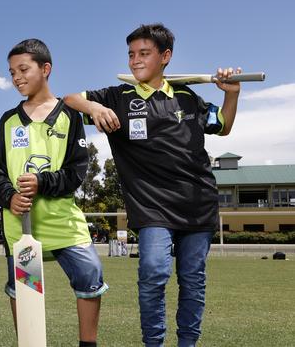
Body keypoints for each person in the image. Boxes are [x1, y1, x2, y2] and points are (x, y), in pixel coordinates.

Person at [63, 23, 242, 347]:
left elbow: (224, 125)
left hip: (197, 203)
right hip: (151, 207)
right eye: (131, 54)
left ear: (165, 56)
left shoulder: (189, 97)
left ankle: (187, 343)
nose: (135, 61)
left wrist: (232, 94)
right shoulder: (118, 97)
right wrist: (95, 107)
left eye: (144, 53)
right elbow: (70, 98)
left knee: (193, 281)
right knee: (154, 272)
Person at [0, 39, 108, 347]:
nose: (16, 78)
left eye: (23, 69)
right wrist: (9, 195)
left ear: (45, 69)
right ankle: (28, 341)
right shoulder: (8, 121)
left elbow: (77, 172)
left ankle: (87, 344)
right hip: (19, 224)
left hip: (61, 219)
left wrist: (42, 182)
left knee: (90, 273)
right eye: (12, 72)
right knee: (22, 287)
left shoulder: (70, 116)